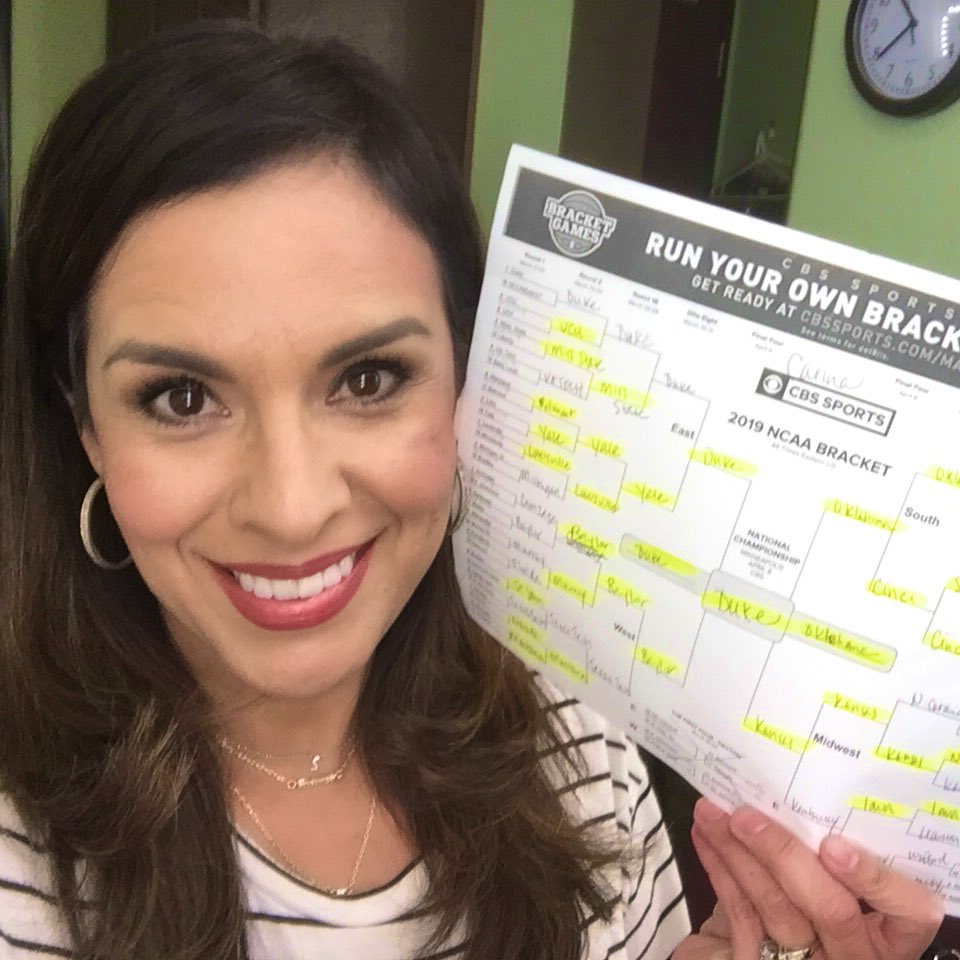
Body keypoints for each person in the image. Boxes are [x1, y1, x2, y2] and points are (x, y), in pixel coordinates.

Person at [0, 22, 943, 960]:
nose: (291, 508)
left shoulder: (581, 756)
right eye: (182, 398)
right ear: (84, 424)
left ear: (467, 378)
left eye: (368, 379)